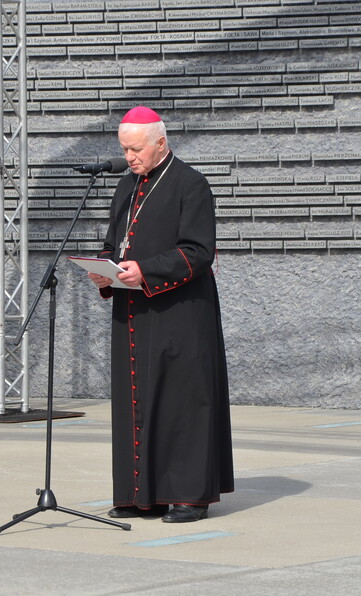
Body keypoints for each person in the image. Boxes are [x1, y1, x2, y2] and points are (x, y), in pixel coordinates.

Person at [87, 106, 234, 523]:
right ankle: (142, 494)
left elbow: (198, 252)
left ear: (160, 142)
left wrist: (145, 270)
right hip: (132, 311)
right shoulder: (125, 186)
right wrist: (103, 270)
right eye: (124, 149)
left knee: (181, 402)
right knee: (138, 402)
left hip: (180, 313)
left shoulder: (191, 184)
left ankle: (190, 495)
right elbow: (114, 241)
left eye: (135, 149)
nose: (129, 157)